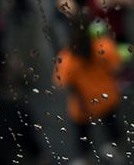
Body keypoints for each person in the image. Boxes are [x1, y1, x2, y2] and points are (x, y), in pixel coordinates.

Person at [53, 16, 124, 165]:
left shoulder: (66, 59)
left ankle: (85, 159)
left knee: (82, 135)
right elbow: (118, 68)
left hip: (82, 107)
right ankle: (113, 150)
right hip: (107, 99)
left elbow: (61, 84)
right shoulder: (104, 46)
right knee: (111, 126)